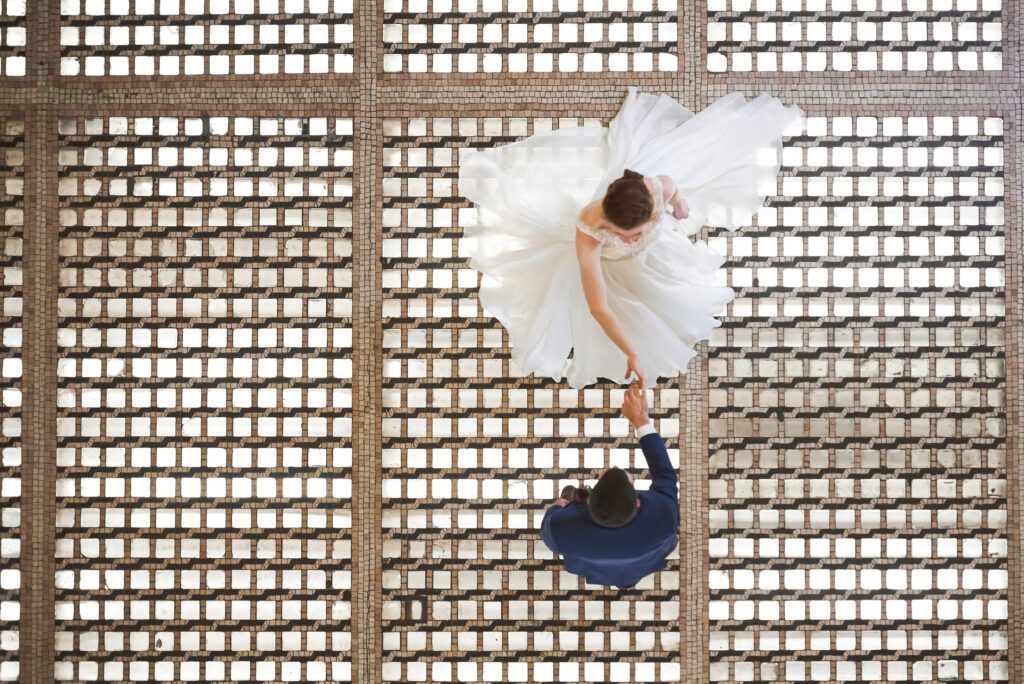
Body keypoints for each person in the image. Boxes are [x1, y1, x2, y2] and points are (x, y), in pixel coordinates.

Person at [458, 87, 803, 389]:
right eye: (633, 234)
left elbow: (673, 190)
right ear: (611, 226)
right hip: (619, 266)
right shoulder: (589, 236)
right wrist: (631, 351)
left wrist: (680, 205)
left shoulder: (655, 187)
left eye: (642, 227)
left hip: (656, 253)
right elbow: (599, 306)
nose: (639, 235)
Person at [540, 381, 678, 588]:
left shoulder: (562, 528)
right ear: (638, 503)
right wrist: (641, 420)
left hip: (591, 563)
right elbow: (664, 473)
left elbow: (548, 526)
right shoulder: (664, 517)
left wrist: (558, 506)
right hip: (641, 560)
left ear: (589, 502)